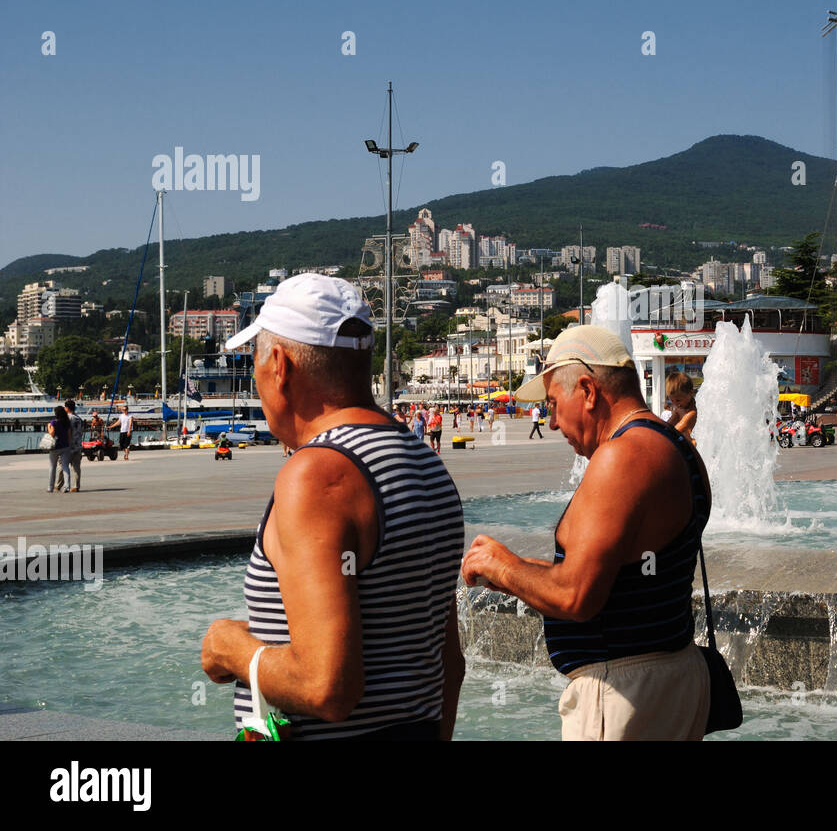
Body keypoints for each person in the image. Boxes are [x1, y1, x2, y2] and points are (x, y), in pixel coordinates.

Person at [200, 273, 464, 740]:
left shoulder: (318, 474)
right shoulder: (424, 461)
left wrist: (233, 650)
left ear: (279, 365)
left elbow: (328, 689)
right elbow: (448, 662)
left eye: (256, 365)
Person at [462, 325, 712, 740]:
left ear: (588, 390)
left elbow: (576, 597)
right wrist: (518, 572)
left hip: (621, 694)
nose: (554, 422)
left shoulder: (621, 457)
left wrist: (504, 568)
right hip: (674, 677)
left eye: (554, 404)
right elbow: (616, 576)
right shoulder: (679, 447)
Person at [665, 370, 698, 439]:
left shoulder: (691, 413)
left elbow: (675, 431)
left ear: (691, 393)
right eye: (672, 400)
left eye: (678, 400)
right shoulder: (680, 409)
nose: (675, 404)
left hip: (691, 448)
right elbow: (668, 425)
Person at [46, 406, 71, 493]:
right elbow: (69, 436)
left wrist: (49, 426)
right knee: (65, 467)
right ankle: (67, 486)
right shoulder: (67, 422)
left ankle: (50, 487)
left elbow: (52, 433)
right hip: (65, 446)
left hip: (55, 447)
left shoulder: (54, 422)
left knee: (52, 467)